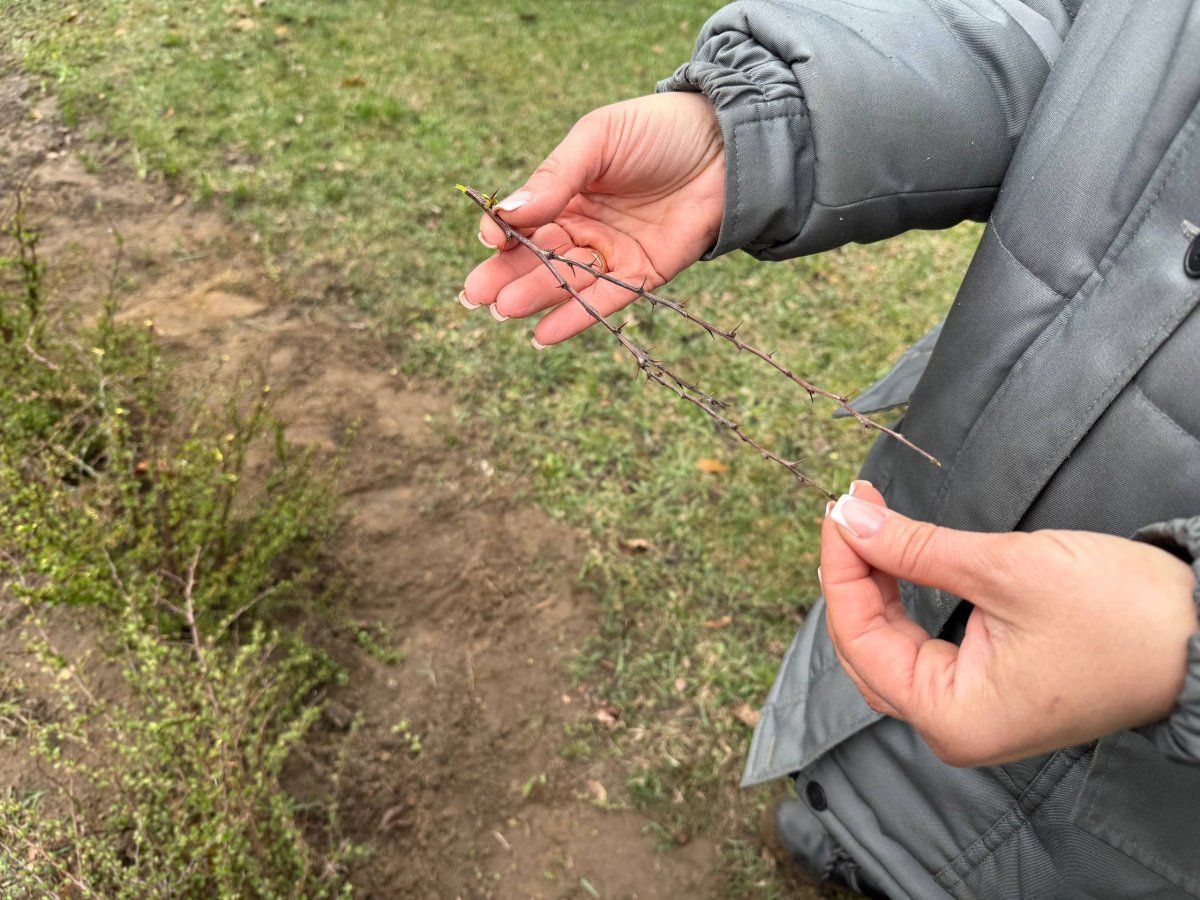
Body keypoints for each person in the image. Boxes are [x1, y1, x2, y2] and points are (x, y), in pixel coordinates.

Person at [462, 1, 1200, 896]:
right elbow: (1060, 26)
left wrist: (1182, 641)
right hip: (983, 452)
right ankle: (872, 837)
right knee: (896, 699)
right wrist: (758, 129)